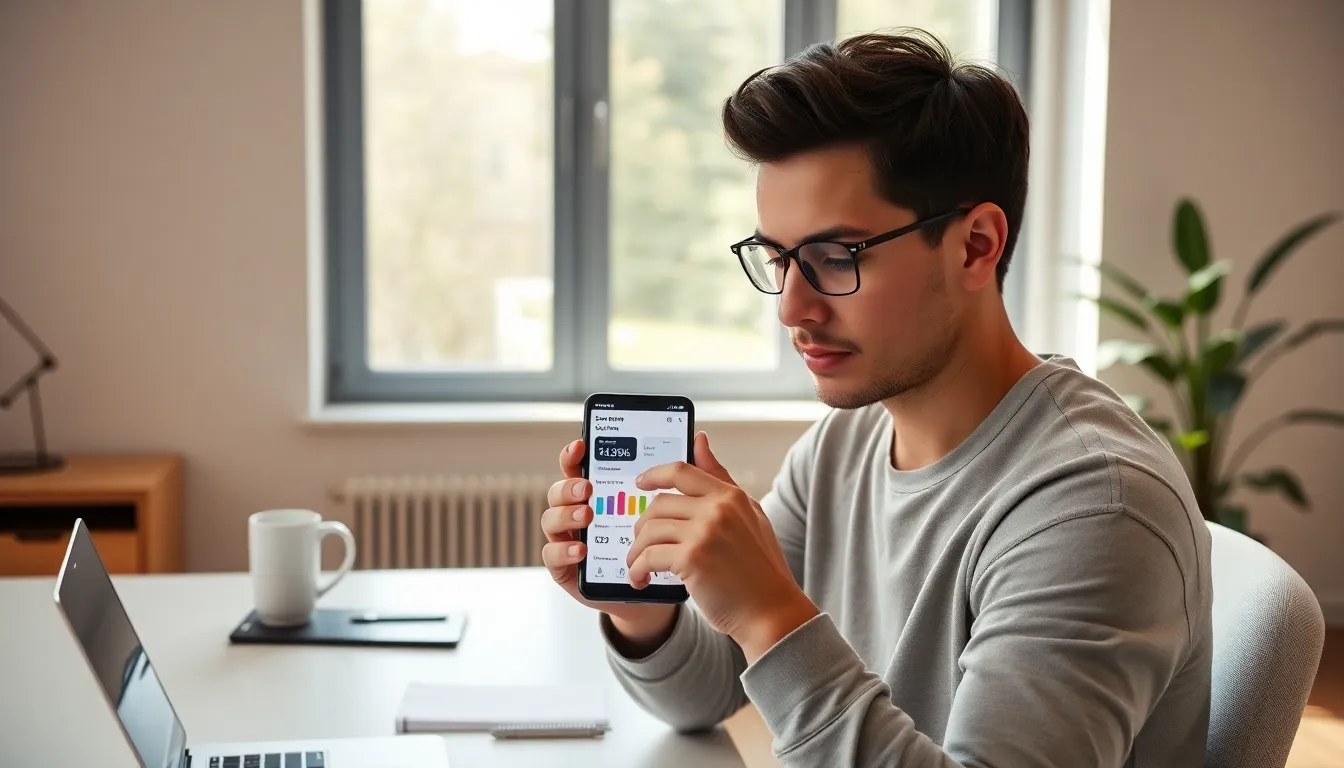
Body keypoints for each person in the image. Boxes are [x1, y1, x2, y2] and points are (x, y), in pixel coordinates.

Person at [540, 29, 1211, 767]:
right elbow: (710, 693)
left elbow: (774, 649)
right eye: (777, 259)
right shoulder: (844, 446)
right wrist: (644, 609)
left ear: (976, 245)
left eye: (835, 257)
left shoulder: (1093, 504)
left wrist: (770, 613)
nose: (791, 309)